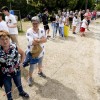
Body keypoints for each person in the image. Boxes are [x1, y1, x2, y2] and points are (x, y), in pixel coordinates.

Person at [0, 30, 29, 100]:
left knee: (19, 83)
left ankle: (21, 92)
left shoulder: (14, 46)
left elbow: (22, 53)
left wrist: (21, 63)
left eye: (6, 39)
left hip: (16, 71)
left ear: (9, 39)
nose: (5, 41)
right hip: (5, 74)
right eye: (2, 39)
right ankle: (9, 98)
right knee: (7, 87)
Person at [26, 16, 47, 86]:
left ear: (39, 23)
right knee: (32, 66)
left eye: (36, 23)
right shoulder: (29, 31)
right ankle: (30, 77)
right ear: (31, 23)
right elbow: (32, 42)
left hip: (41, 51)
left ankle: (40, 72)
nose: (35, 25)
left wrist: (38, 40)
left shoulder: (42, 30)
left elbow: (45, 40)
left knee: (40, 62)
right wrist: (41, 40)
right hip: (33, 52)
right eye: (33, 23)